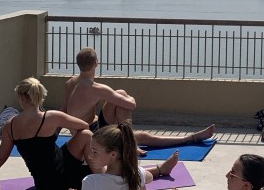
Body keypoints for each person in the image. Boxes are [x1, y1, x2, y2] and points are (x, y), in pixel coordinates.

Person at [0, 78, 180, 190]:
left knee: (84, 143)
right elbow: (84, 126)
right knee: (85, 136)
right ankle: (151, 171)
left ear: (22, 98)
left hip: (42, 183)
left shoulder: (10, 125)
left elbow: (0, 157)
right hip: (64, 178)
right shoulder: (51, 117)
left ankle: (112, 173)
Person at [62, 48, 216, 152]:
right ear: (96, 63)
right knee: (144, 136)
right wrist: (131, 97)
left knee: (120, 93)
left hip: (90, 127)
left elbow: (63, 111)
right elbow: (131, 104)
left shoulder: (70, 83)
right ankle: (190, 138)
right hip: (91, 134)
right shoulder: (97, 88)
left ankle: (126, 137)